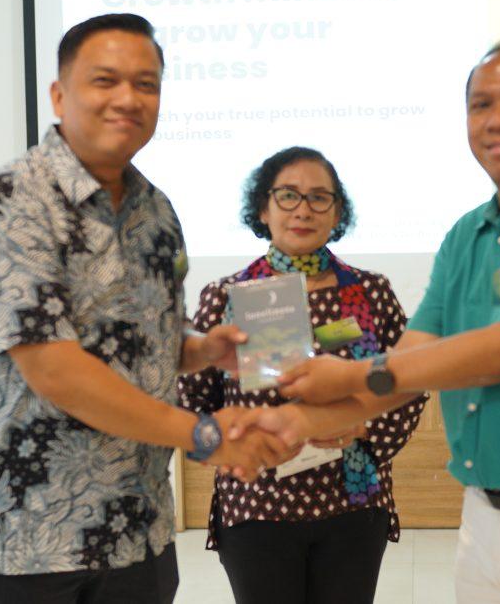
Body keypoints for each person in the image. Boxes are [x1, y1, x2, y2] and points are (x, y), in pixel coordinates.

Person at [233, 40, 500, 603]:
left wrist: (350, 378)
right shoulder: (468, 234)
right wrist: (299, 420)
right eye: (481, 104)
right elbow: (410, 358)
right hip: (485, 519)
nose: (498, 119)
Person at [0, 13, 293, 604]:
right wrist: (204, 434)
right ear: (59, 95)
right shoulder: (14, 199)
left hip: (136, 525)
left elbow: (143, 340)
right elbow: (55, 369)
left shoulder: (156, 210)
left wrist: (202, 349)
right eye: (105, 80)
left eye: (146, 84)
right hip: (26, 532)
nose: (128, 99)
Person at [178, 147, 427, 604]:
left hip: (353, 500)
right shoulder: (227, 295)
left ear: (337, 212)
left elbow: (409, 382)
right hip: (256, 502)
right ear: (263, 208)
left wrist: (364, 427)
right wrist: (230, 444)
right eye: (288, 195)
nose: (303, 210)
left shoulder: (370, 292)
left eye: (319, 197)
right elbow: (193, 399)